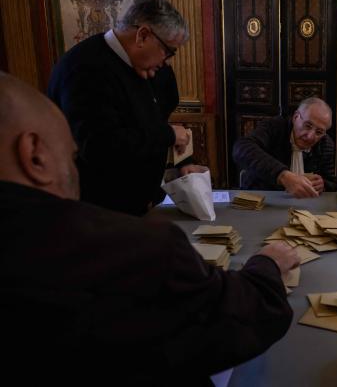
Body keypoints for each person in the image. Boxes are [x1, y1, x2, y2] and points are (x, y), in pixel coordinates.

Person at [0, 72, 300, 385]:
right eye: (71, 155)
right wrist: (267, 265)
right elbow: (243, 318)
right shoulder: (140, 250)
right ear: (34, 153)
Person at [48, 0, 203, 216]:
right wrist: (168, 136)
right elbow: (100, 146)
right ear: (143, 36)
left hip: (145, 206)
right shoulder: (83, 69)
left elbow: (156, 122)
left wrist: (181, 161)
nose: (168, 61)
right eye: (169, 51)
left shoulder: (156, 70)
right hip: (100, 213)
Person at [232, 97, 337, 197]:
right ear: (295, 117)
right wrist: (283, 175)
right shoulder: (274, 127)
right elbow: (241, 148)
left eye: (319, 132)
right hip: (263, 199)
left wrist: (322, 185)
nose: (310, 137)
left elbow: (331, 183)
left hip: (304, 206)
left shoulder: (325, 144)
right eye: (307, 126)